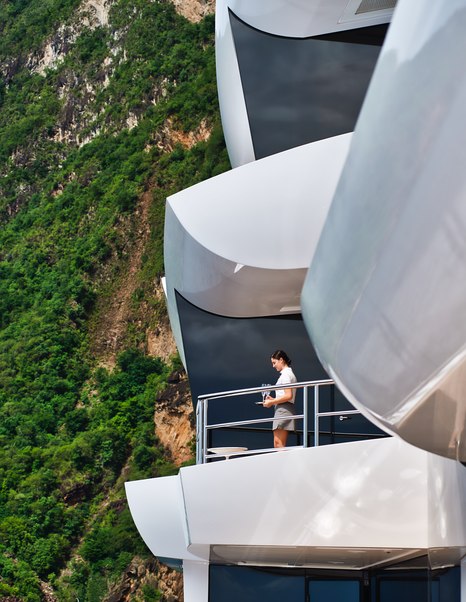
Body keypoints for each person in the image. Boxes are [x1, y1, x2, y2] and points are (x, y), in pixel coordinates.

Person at [263, 349, 297, 448]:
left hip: (283, 410)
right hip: (284, 408)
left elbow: (288, 395)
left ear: (281, 360)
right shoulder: (288, 374)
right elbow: (286, 395)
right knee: (278, 444)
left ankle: (285, 463)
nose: (273, 366)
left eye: (274, 362)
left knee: (278, 444)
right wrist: (273, 400)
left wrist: (272, 401)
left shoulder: (286, 375)